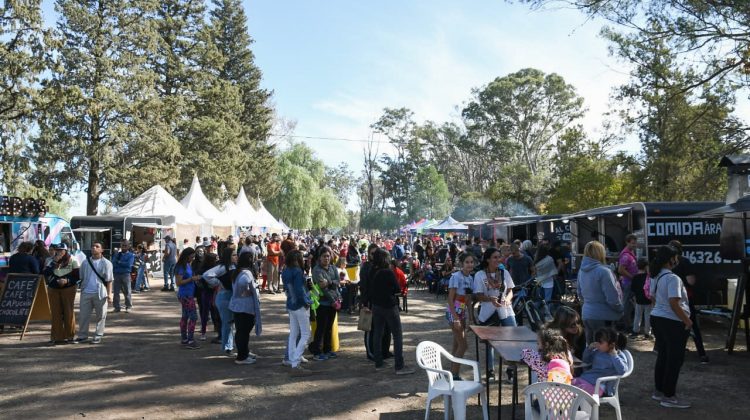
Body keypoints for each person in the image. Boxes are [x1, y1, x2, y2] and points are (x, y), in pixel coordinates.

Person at [650, 245, 692, 409]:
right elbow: (674, 302)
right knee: (674, 359)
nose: (678, 259)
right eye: (676, 257)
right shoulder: (673, 278)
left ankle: (660, 391)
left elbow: (654, 298)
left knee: (663, 356)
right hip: (671, 321)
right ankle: (669, 395)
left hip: (658, 318)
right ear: (670, 259)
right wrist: (687, 321)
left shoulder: (655, 275)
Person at [368, 248, 415, 375]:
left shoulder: (371, 270)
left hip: (376, 306)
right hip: (389, 306)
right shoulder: (387, 272)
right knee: (397, 335)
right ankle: (399, 366)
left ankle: (378, 363)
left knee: (378, 333)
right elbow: (397, 288)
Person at [473, 247, 516, 381]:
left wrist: (507, 299)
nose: (498, 260)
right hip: (488, 311)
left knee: (512, 340)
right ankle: (490, 371)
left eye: (499, 257)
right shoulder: (480, 275)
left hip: (506, 310)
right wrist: (490, 299)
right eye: (495, 257)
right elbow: (478, 295)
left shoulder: (504, 273)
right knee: (489, 342)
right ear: (488, 259)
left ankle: (510, 369)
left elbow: (510, 290)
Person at [577, 241, 623, 345]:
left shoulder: (581, 271)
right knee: (605, 349)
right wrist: (620, 309)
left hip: (587, 314)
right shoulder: (604, 271)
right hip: (604, 315)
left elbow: (579, 293)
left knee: (591, 348)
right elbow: (612, 298)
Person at [669, 240, 708, 364]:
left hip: (669, 298)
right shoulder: (685, 261)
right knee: (692, 324)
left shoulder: (665, 263)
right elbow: (691, 281)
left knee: (673, 325)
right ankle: (702, 354)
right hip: (684, 298)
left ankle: (674, 353)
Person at [74, 242, 113, 344]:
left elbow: (109, 280)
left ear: (102, 250)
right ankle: (82, 335)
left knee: (101, 316)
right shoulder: (85, 262)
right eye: (92, 246)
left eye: (97, 247)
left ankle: (98, 335)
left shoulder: (107, 263)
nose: (94, 248)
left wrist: (109, 294)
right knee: (83, 315)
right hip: (86, 292)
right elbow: (81, 277)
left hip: (100, 292)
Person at [283, 249, 313, 376]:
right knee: (306, 334)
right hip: (300, 305)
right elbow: (300, 290)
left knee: (294, 334)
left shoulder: (285, 271)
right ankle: (295, 363)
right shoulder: (297, 271)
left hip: (290, 304)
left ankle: (292, 359)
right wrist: (307, 302)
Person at [572, 328, 629, 396]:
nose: (597, 344)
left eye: (600, 342)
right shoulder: (598, 352)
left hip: (598, 386)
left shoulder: (618, 356)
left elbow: (623, 370)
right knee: (566, 384)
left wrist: (614, 355)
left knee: (573, 391)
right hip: (586, 379)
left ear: (612, 345)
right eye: (597, 341)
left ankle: (579, 405)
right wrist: (589, 349)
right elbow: (586, 360)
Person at [446, 252, 475, 380]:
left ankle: (452, 371)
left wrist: (471, 318)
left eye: (471, 262)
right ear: (461, 264)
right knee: (463, 345)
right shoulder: (455, 277)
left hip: (462, 313)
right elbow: (450, 300)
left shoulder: (470, 278)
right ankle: (455, 375)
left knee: (457, 345)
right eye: (467, 262)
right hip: (454, 313)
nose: (469, 264)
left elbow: (468, 301)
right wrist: (456, 318)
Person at [230, 252, 262, 365]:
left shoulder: (237, 271)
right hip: (245, 307)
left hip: (238, 306)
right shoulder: (246, 273)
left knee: (241, 332)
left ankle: (244, 353)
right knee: (243, 332)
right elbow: (243, 283)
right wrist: (247, 291)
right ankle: (242, 356)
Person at [308, 246, 341, 361]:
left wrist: (330, 282)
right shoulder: (317, 270)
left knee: (329, 328)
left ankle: (328, 349)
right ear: (319, 257)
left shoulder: (333, 268)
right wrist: (332, 300)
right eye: (324, 256)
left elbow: (338, 282)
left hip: (333, 302)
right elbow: (322, 288)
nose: (326, 258)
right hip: (323, 303)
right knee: (321, 328)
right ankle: (317, 352)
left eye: (328, 256)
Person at [203, 248, 237, 356]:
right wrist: (218, 283)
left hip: (230, 297)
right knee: (227, 323)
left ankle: (229, 345)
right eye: (234, 255)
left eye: (236, 255)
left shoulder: (233, 266)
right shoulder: (222, 267)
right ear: (228, 256)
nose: (236, 257)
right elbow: (207, 275)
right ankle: (227, 347)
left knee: (231, 323)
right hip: (224, 297)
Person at [44, 243, 80, 344]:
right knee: (55, 313)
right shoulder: (50, 260)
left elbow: (77, 276)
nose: (59, 252)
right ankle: (56, 337)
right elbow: (45, 273)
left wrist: (67, 281)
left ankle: (70, 336)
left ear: (66, 250)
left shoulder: (73, 259)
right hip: (53, 288)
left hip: (68, 289)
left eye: (61, 250)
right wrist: (54, 262)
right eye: (57, 250)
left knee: (68, 312)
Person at [174, 247, 201, 349]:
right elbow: (178, 282)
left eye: (194, 257)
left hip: (188, 294)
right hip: (185, 295)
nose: (193, 258)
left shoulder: (187, 265)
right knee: (193, 317)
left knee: (185, 316)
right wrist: (191, 279)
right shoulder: (181, 267)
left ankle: (185, 338)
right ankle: (190, 340)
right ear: (186, 256)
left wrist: (195, 279)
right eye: (191, 256)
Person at [617, 234, 638, 331]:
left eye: (635, 243)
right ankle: (626, 325)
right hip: (627, 283)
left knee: (630, 305)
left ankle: (629, 323)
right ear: (627, 242)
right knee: (626, 304)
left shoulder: (631, 252)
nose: (634, 245)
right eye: (632, 243)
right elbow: (621, 270)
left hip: (631, 283)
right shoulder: (625, 255)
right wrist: (632, 277)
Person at [631, 258, 652, 339]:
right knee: (648, 316)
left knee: (637, 316)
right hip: (648, 299)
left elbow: (633, 289)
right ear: (646, 266)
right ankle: (647, 332)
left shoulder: (635, 277)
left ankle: (635, 331)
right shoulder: (648, 277)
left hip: (638, 299)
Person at [111, 240, 135, 313]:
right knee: (116, 292)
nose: (124, 247)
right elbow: (113, 263)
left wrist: (119, 262)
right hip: (116, 274)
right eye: (122, 245)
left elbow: (129, 265)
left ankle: (128, 306)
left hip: (126, 274)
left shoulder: (131, 255)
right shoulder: (117, 254)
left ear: (128, 246)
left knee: (127, 291)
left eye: (125, 245)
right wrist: (121, 263)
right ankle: (116, 307)